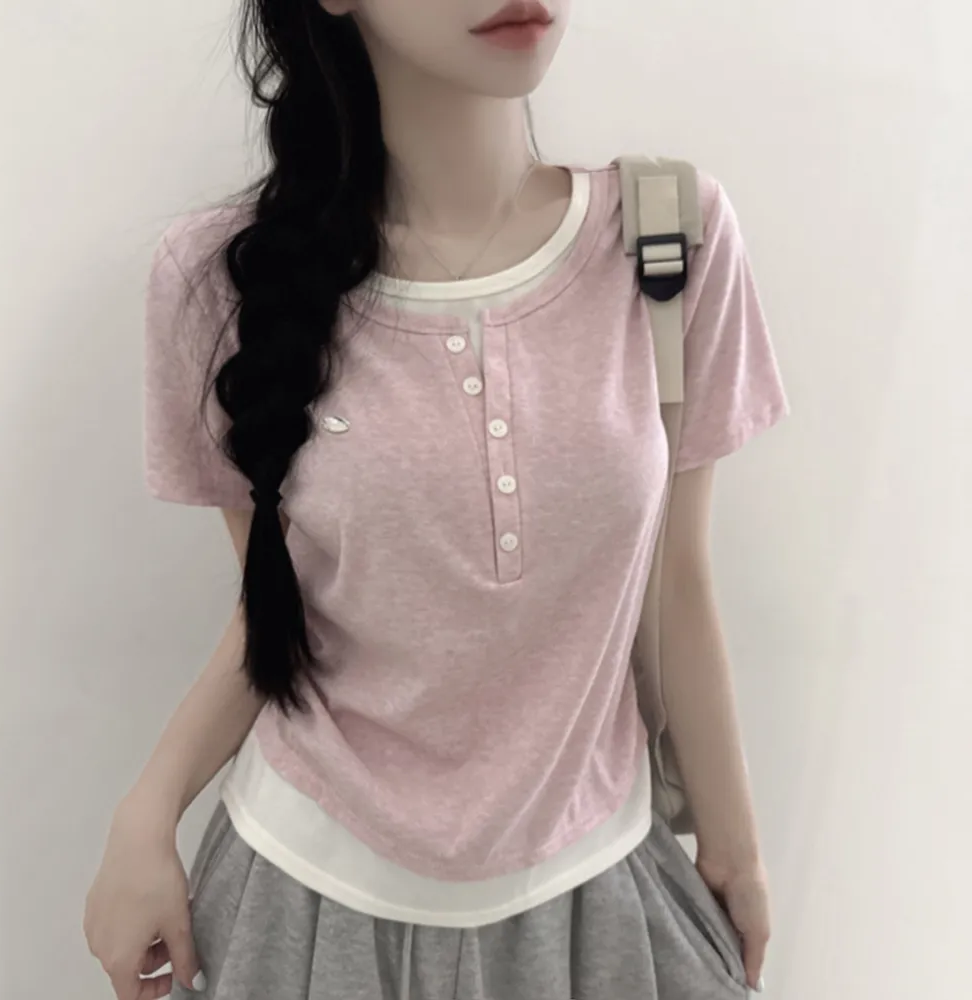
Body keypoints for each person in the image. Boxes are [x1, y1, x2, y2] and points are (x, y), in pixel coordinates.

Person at [84, 1, 791, 998]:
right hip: (308, 904)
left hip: (600, 890)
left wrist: (736, 849)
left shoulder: (667, 240)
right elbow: (275, 614)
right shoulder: (221, 281)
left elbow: (676, 583)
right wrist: (147, 813)